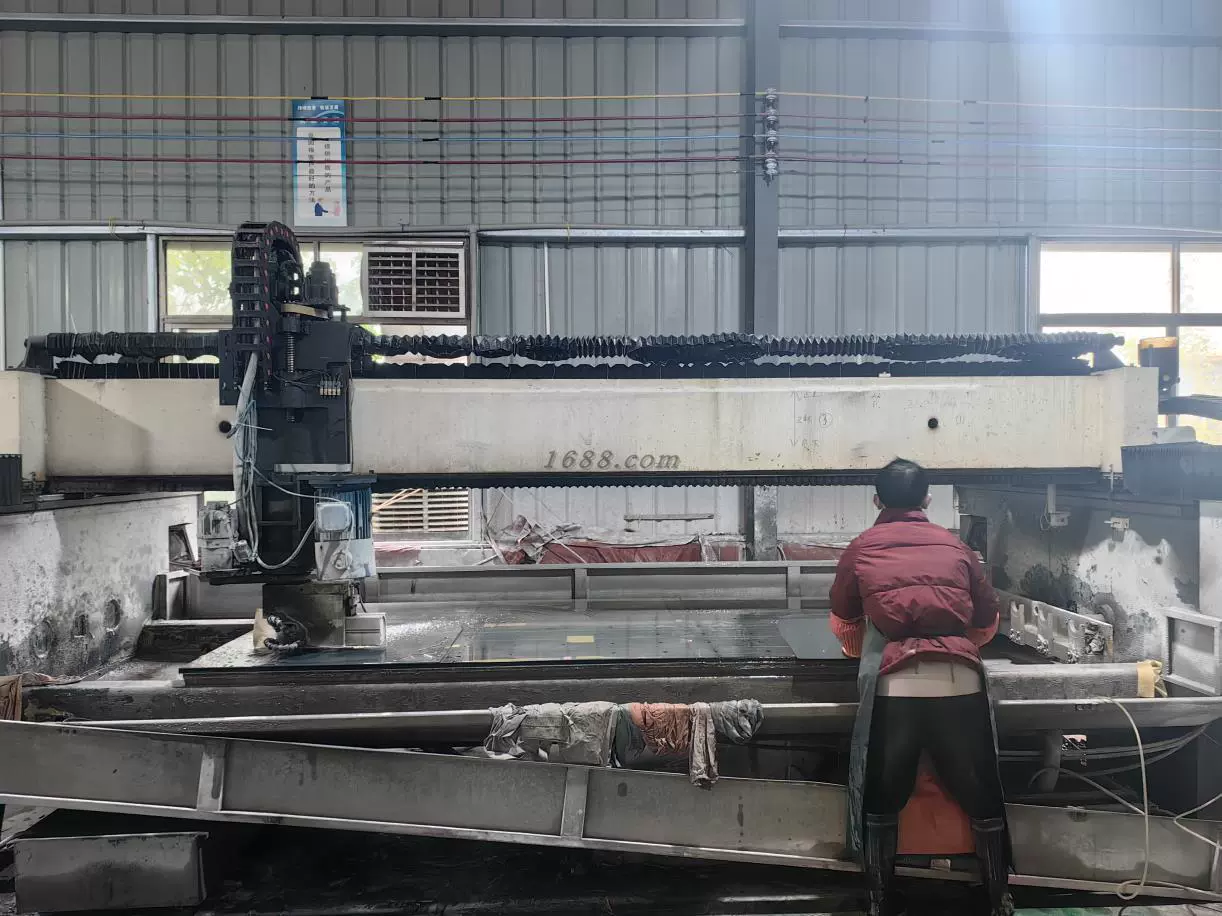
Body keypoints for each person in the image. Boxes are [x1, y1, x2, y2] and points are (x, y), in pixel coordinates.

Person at [829, 458, 1011, 916]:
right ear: (928, 499)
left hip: (896, 687)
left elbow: (844, 621)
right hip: (960, 680)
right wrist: (953, 642)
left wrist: (864, 651)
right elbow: (987, 621)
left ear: (876, 501)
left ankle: (879, 900)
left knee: (883, 797)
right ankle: (997, 897)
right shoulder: (956, 546)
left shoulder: (862, 548)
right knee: (982, 796)